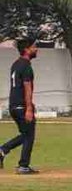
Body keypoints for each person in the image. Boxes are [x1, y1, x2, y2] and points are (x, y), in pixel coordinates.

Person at [1, 38, 40, 174]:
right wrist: (29, 108)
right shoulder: (26, 66)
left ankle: (3, 150)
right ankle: (23, 166)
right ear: (26, 50)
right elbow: (27, 88)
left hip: (13, 105)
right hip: (21, 106)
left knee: (26, 134)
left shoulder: (16, 64)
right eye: (34, 47)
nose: (36, 49)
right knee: (29, 135)